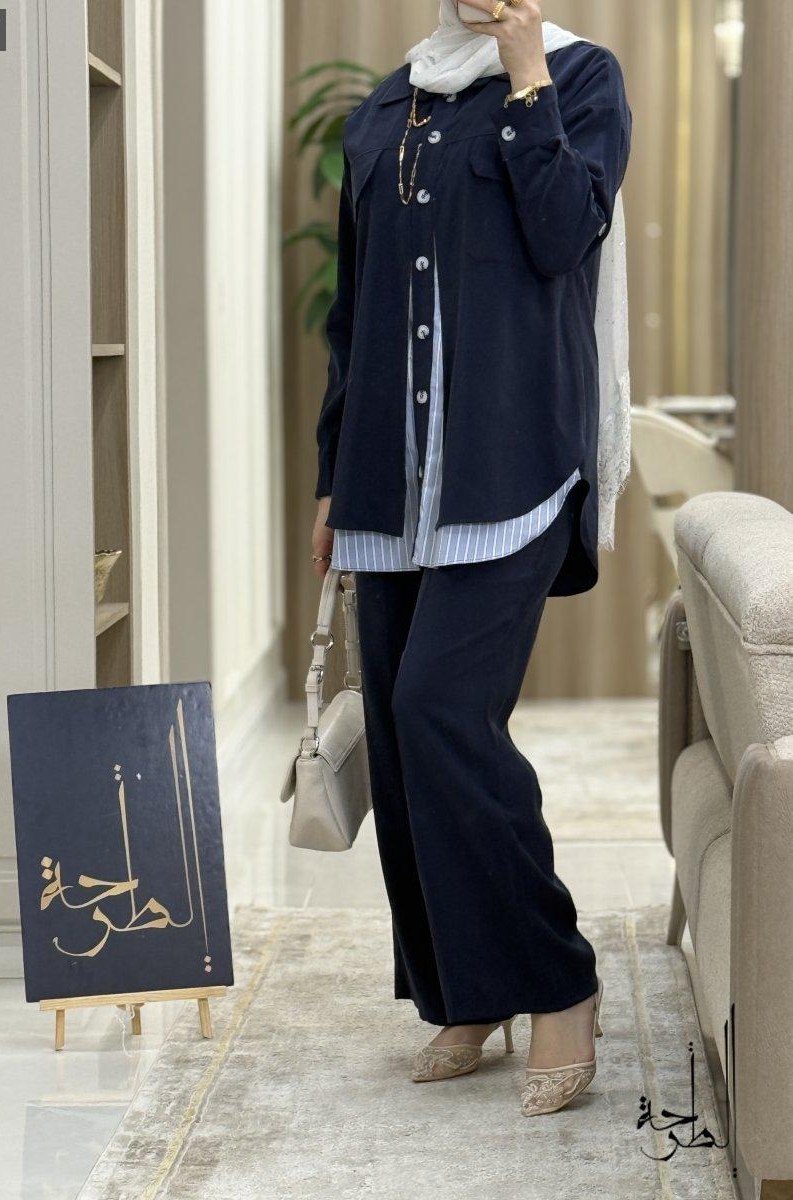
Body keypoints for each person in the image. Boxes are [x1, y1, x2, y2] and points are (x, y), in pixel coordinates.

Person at [310, 0, 631, 1116]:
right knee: (402, 741)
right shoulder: (382, 109)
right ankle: (468, 991)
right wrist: (330, 475)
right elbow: (355, 310)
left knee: (442, 708)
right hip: (386, 475)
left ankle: (559, 982)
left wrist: (526, 69)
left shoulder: (579, 81)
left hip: (512, 460)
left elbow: (564, 236)